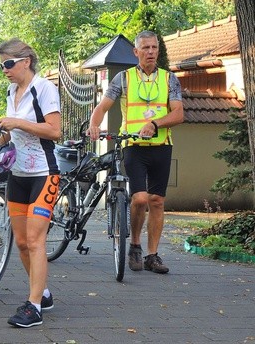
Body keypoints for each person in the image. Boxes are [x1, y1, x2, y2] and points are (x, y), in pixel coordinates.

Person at [87, 30, 184, 274]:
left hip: (161, 146)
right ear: (136, 52)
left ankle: (152, 255)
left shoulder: (169, 79)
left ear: (158, 50)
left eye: (154, 48)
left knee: (157, 201)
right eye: (146, 48)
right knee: (140, 199)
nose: (151, 52)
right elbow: (102, 107)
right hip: (133, 147)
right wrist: (94, 124)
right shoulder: (123, 78)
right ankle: (135, 246)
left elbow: (178, 114)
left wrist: (155, 124)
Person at [0, 38, 61, 328]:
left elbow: (54, 131)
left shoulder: (45, 88)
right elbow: (13, 129)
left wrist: (17, 123)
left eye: (8, 64)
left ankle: (34, 307)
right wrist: (0, 139)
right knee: (21, 242)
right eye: (1, 65)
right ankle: (42, 293)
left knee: (35, 240)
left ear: (26, 61)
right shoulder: (11, 90)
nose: (5, 70)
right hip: (18, 175)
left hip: (44, 174)